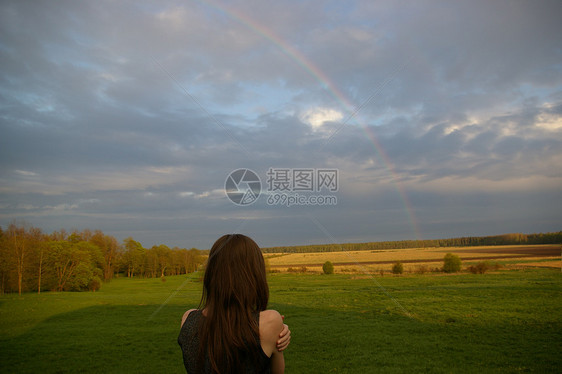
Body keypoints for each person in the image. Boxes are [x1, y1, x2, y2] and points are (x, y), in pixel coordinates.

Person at [178, 234, 290, 373]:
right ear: (253, 275)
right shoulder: (270, 321)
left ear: (212, 273)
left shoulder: (188, 319)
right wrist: (277, 330)